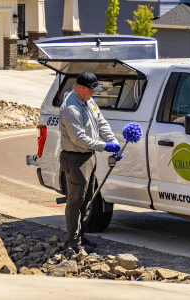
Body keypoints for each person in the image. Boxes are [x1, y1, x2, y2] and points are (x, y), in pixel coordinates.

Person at [59, 71, 122, 254]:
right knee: (75, 201)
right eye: (91, 90)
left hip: (88, 157)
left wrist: (114, 143)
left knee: (86, 200)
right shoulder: (71, 108)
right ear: (80, 88)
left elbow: (101, 123)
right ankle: (74, 244)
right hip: (75, 158)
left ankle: (81, 237)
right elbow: (79, 139)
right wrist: (105, 146)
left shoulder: (87, 101)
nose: (94, 93)